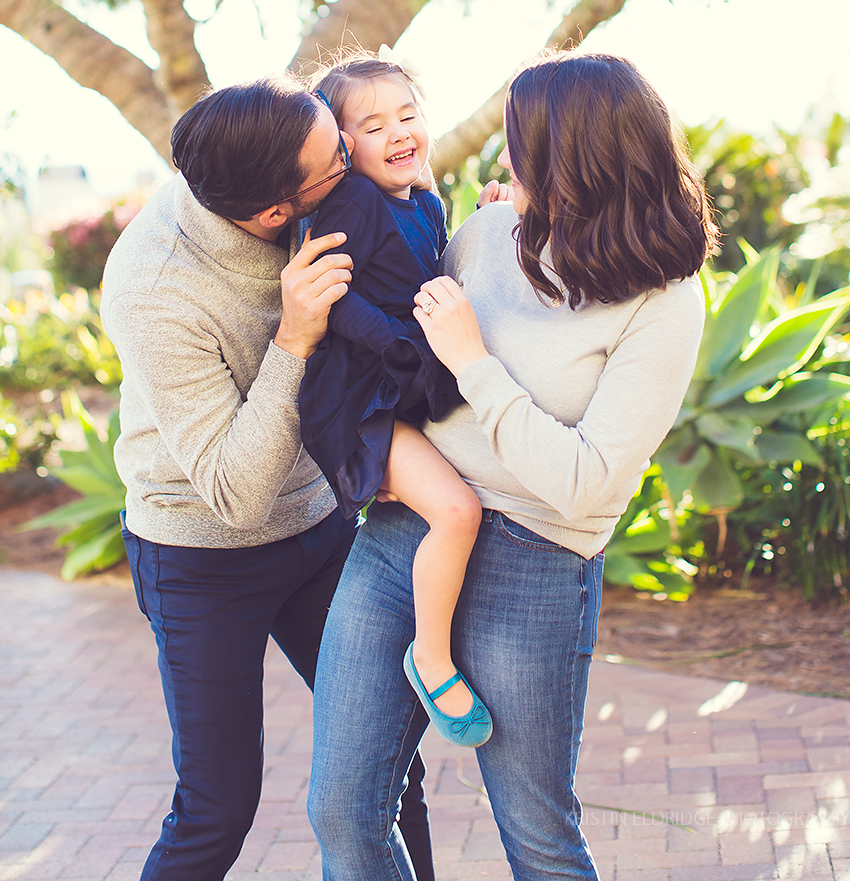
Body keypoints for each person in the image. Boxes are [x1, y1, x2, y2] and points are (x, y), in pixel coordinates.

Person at [307, 51, 719, 881]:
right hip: (405, 534)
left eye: (520, 147)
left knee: (535, 833)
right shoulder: (489, 231)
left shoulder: (665, 300)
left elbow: (589, 479)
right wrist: (374, 452)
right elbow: (401, 352)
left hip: (536, 559)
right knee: (341, 812)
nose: (505, 163)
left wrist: (475, 365)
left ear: (578, 160)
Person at [100, 76, 434, 881]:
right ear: (276, 213)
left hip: (317, 531)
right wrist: (294, 336)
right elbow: (235, 492)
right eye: (336, 157)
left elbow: (402, 217)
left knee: (391, 764)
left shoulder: (293, 159)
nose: (354, 155)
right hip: (202, 554)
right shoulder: (154, 286)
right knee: (220, 805)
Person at [299, 53, 491, 746]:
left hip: (405, 381)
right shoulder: (351, 201)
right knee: (457, 509)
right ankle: (430, 656)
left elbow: (433, 274)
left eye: (408, 115)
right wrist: (394, 343)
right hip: (362, 398)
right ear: (342, 146)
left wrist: (483, 223)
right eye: (375, 125)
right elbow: (335, 292)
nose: (400, 132)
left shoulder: (428, 200)